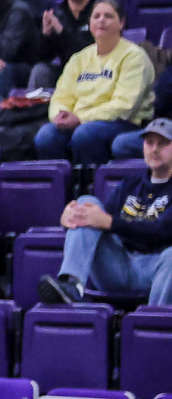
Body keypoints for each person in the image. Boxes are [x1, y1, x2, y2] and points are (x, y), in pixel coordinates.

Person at [38, 119, 172, 307]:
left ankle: (154, 323)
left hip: (155, 269)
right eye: (149, 143)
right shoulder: (130, 183)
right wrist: (67, 219)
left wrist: (110, 223)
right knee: (87, 203)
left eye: (163, 144)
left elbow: (162, 231)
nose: (154, 149)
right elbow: (96, 222)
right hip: (117, 266)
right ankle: (72, 285)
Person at [34, 0, 150, 167]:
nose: (101, 20)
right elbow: (61, 96)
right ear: (89, 23)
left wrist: (80, 118)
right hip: (80, 123)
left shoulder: (134, 57)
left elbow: (124, 106)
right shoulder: (79, 58)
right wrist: (60, 115)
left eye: (108, 16)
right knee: (46, 135)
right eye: (96, 16)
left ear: (121, 22)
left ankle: (91, 185)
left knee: (85, 134)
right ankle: (62, 190)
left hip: (123, 123)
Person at [34, 0, 100, 88]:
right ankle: (36, 107)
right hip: (66, 71)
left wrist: (61, 31)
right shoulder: (58, 14)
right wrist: (46, 35)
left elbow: (87, 53)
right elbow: (42, 57)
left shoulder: (100, 13)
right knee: (40, 71)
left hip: (94, 72)